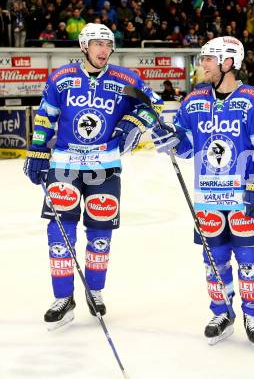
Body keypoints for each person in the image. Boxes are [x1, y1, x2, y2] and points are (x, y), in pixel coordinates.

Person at [23, 23, 162, 330]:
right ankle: (63, 298)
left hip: (105, 167)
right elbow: (46, 116)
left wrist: (133, 123)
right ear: (84, 46)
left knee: (100, 236)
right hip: (64, 166)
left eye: (108, 45)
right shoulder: (61, 78)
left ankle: (94, 292)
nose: (103, 50)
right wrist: (37, 151)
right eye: (97, 44)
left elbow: (154, 104)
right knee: (60, 235)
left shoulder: (126, 79)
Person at [151, 36, 254, 348]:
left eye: (209, 59)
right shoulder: (194, 101)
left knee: (250, 258)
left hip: (244, 195)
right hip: (208, 196)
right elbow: (184, 144)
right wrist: (169, 139)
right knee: (214, 259)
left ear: (228, 62)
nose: (203, 64)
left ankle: (253, 315)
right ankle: (221, 312)